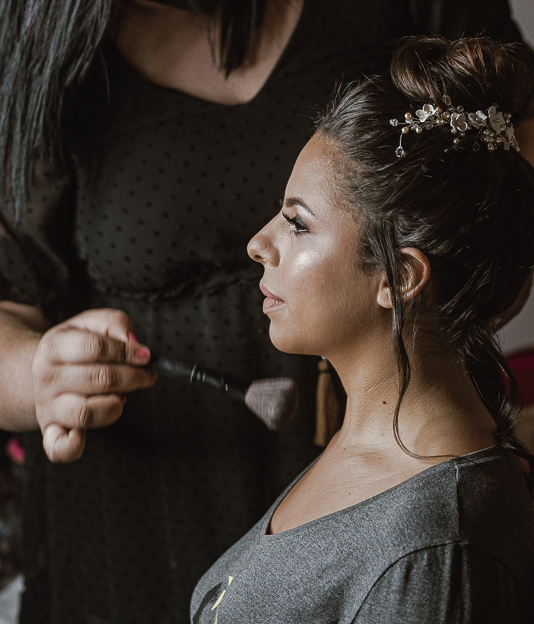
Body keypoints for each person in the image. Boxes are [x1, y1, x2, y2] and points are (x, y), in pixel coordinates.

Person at [0, 0, 531, 621]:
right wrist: (39, 373)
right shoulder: (43, 33)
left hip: (384, 482)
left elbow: (506, 149)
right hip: (138, 519)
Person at [192, 35, 534, 623]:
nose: (258, 244)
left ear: (398, 276)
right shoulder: (365, 449)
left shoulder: (435, 551)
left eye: (297, 224)